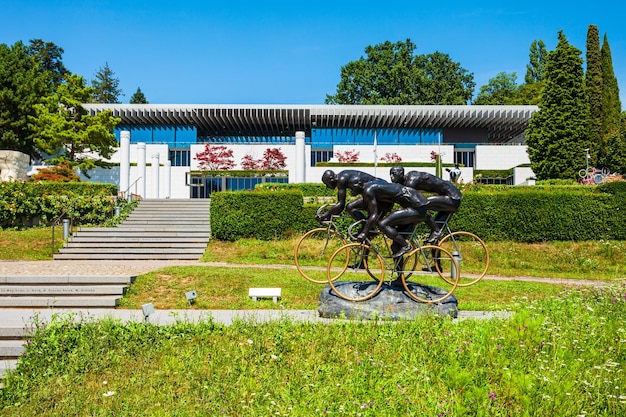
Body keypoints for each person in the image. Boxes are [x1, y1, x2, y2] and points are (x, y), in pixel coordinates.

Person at [346, 178, 438, 259]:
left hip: (415, 207)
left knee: (383, 224)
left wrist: (363, 233)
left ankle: (406, 246)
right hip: (415, 204)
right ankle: (399, 277)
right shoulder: (371, 187)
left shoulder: (368, 190)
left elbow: (373, 215)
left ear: (360, 185)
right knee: (395, 246)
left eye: (352, 187)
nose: (350, 190)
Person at [389, 166, 462, 244]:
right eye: (390, 174)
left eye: (393, 174)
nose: (391, 177)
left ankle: (436, 231)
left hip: (453, 197)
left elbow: (409, 201)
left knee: (422, 205)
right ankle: (435, 254)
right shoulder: (405, 182)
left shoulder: (411, 181)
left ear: (401, 173)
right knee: (433, 240)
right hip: (445, 196)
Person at [315, 169, 388, 223]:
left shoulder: (341, 180)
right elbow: (339, 207)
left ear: (331, 180)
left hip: (380, 194)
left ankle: (365, 224)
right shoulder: (342, 175)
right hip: (378, 191)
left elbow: (340, 205)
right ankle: (366, 226)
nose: (327, 187)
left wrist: (324, 215)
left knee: (350, 207)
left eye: (327, 184)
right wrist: (328, 215)